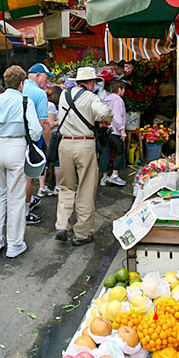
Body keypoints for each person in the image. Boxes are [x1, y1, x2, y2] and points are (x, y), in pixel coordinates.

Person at [0, 65, 42, 258]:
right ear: (21, 83)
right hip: (16, 147)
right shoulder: (26, 101)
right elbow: (36, 131)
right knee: (16, 198)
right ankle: (15, 244)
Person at [55, 67, 113, 246]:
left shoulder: (64, 94)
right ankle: (81, 233)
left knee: (66, 186)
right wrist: (106, 120)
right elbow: (105, 113)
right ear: (90, 82)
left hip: (64, 144)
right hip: (84, 144)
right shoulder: (91, 97)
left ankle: (62, 225)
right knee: (86, 188)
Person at [23, 63, 54, 223]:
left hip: (11, 140)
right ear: (37, 75)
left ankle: (20, 205)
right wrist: (49, 145)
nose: (46, 82)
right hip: (30, 141)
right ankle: (25, 212)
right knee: (29, 177)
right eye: (46, 78)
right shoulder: (39, 93)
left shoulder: (19, 88)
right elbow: (44, 123)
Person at [100, 79, 127, 187]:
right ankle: (114, 175)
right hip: (114, 131)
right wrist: (122, 130)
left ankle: (104, 177)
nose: (124, 91)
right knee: (120, 152)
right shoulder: (118, 100)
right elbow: (116, 116)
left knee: (105, 154)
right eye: (123, 89)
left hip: (105, 131)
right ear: (119, 89)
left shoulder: (105, 99)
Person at [46, 85, 63, 193]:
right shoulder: (51, 106)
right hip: (54, 135)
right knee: (57, 161)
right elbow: (51, 124)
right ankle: (58, 186)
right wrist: (61, 120)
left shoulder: (50, 105)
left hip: (53, 135)